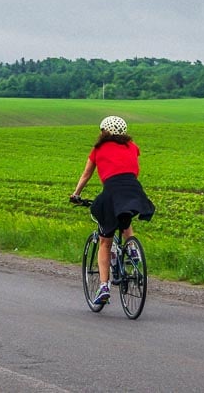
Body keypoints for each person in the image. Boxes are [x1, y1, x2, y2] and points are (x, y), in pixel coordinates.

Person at [70, 115, 155, 305]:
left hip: (112, 191)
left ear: (104, 131)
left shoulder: (98, 149)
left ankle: (103, 286)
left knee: (104, 242)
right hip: (134, 188)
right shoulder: (132, 146)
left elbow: (86, 174)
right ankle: (132, 249)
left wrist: (75, 194)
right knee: (125, 216)